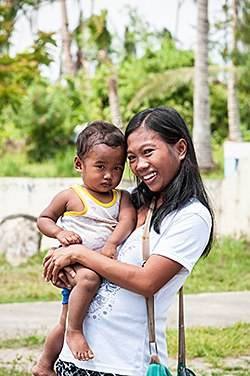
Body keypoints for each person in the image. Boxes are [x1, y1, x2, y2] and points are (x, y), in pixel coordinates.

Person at [42, 106, 214, 376]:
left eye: (148, 152)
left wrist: (79, 255)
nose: (139, 165)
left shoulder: (191, 216)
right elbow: (80, 233)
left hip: (123, 365)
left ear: (180, 149)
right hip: (74, 358)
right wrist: (62, 262)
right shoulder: (128, 200)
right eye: (132, 157)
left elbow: (147, 282)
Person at [32, 121, 136, 376]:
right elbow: (44, 219)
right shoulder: (71, 195)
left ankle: (44, 366)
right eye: (100, 167)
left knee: (64, 319)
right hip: (76, 265)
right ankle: (74, 333)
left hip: (102, 263)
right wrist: (60, 232)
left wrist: (112, 243)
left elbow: (128, 221)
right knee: (86, 282)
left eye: (117, 168)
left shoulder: (122, 197)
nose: (108, 175)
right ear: (79, 164)